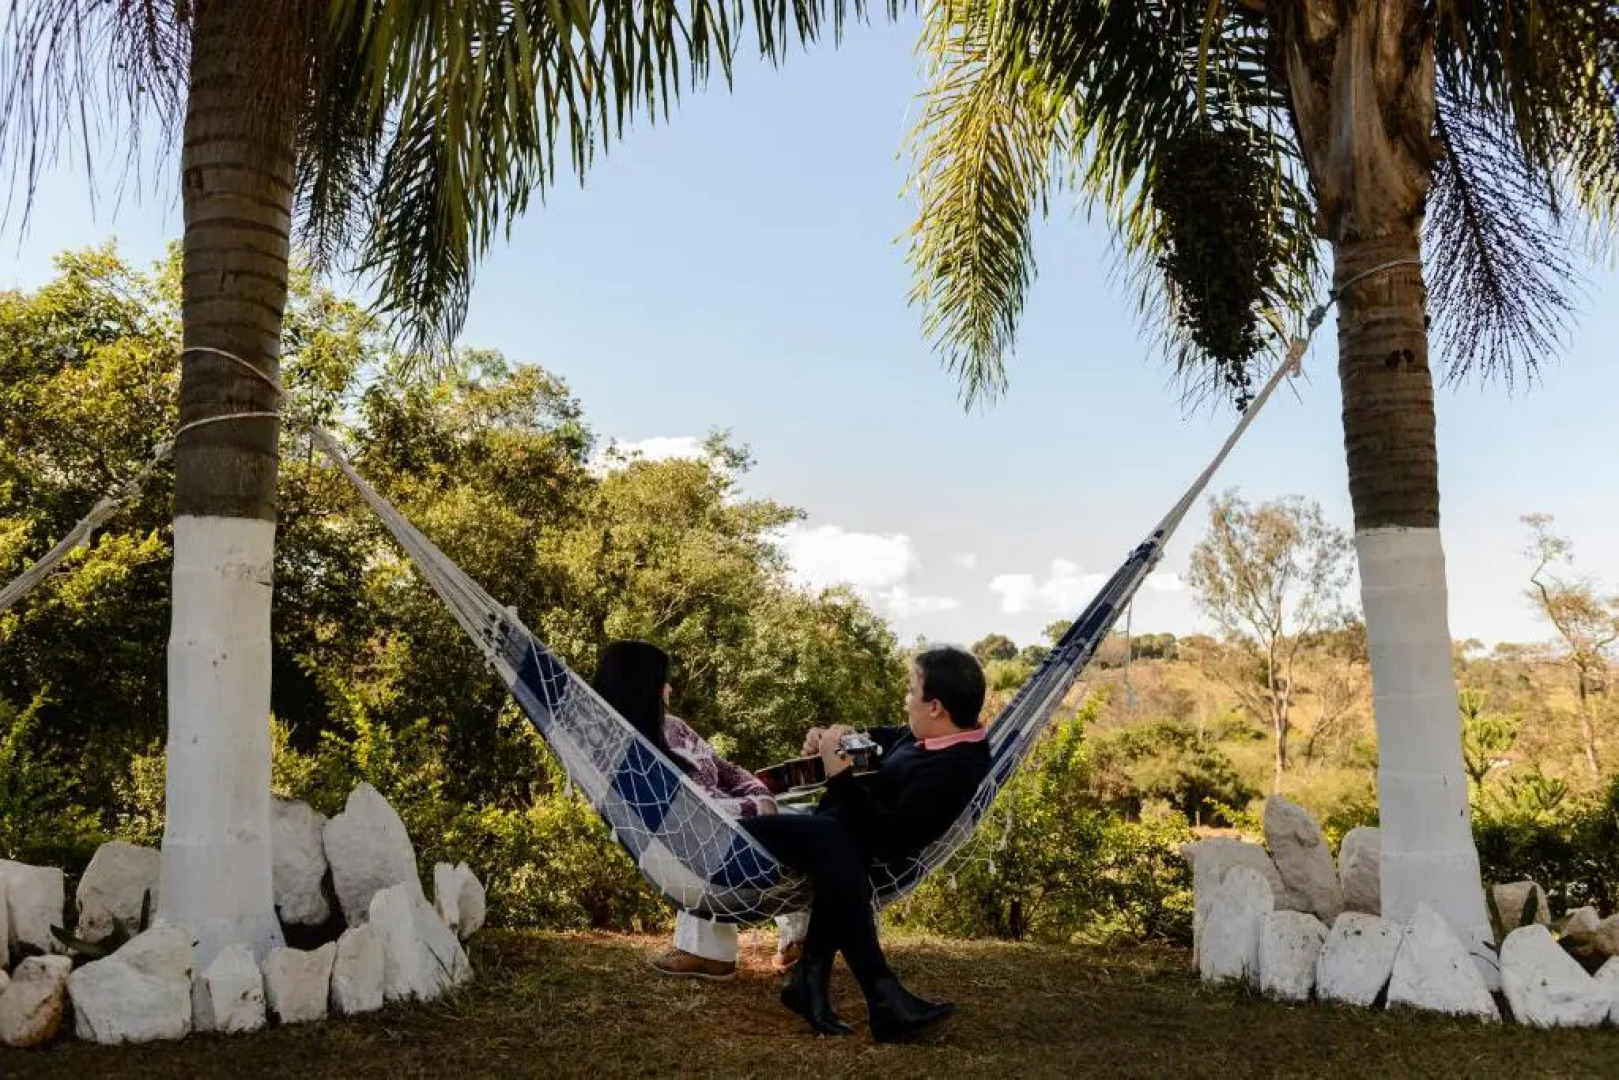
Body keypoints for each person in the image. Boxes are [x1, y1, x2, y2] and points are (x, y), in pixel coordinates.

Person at [742, 645, 989, 1042]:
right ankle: (867, 991)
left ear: (936, 707)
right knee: (837, 846)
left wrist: (841, 776)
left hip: (829, 839)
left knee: (836, 844)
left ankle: (825, 981)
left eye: (912, 691)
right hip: (826, 835)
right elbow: (881, 738)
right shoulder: (924, 736)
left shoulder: (956, 768)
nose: (906, 700)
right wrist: (833, 738)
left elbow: (892, 838)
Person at [590, 639, 806, 979]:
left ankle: (799, 939)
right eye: (664, 681)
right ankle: (709, 953)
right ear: (643, 685)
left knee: (814, 820)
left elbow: (725, 768)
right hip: (700, 837)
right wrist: (756, 807)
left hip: (740, 821)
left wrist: (758, 795)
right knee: (788, 832)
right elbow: (689, 812)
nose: (671, 689)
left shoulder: (674, 727)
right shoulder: (628, 753)